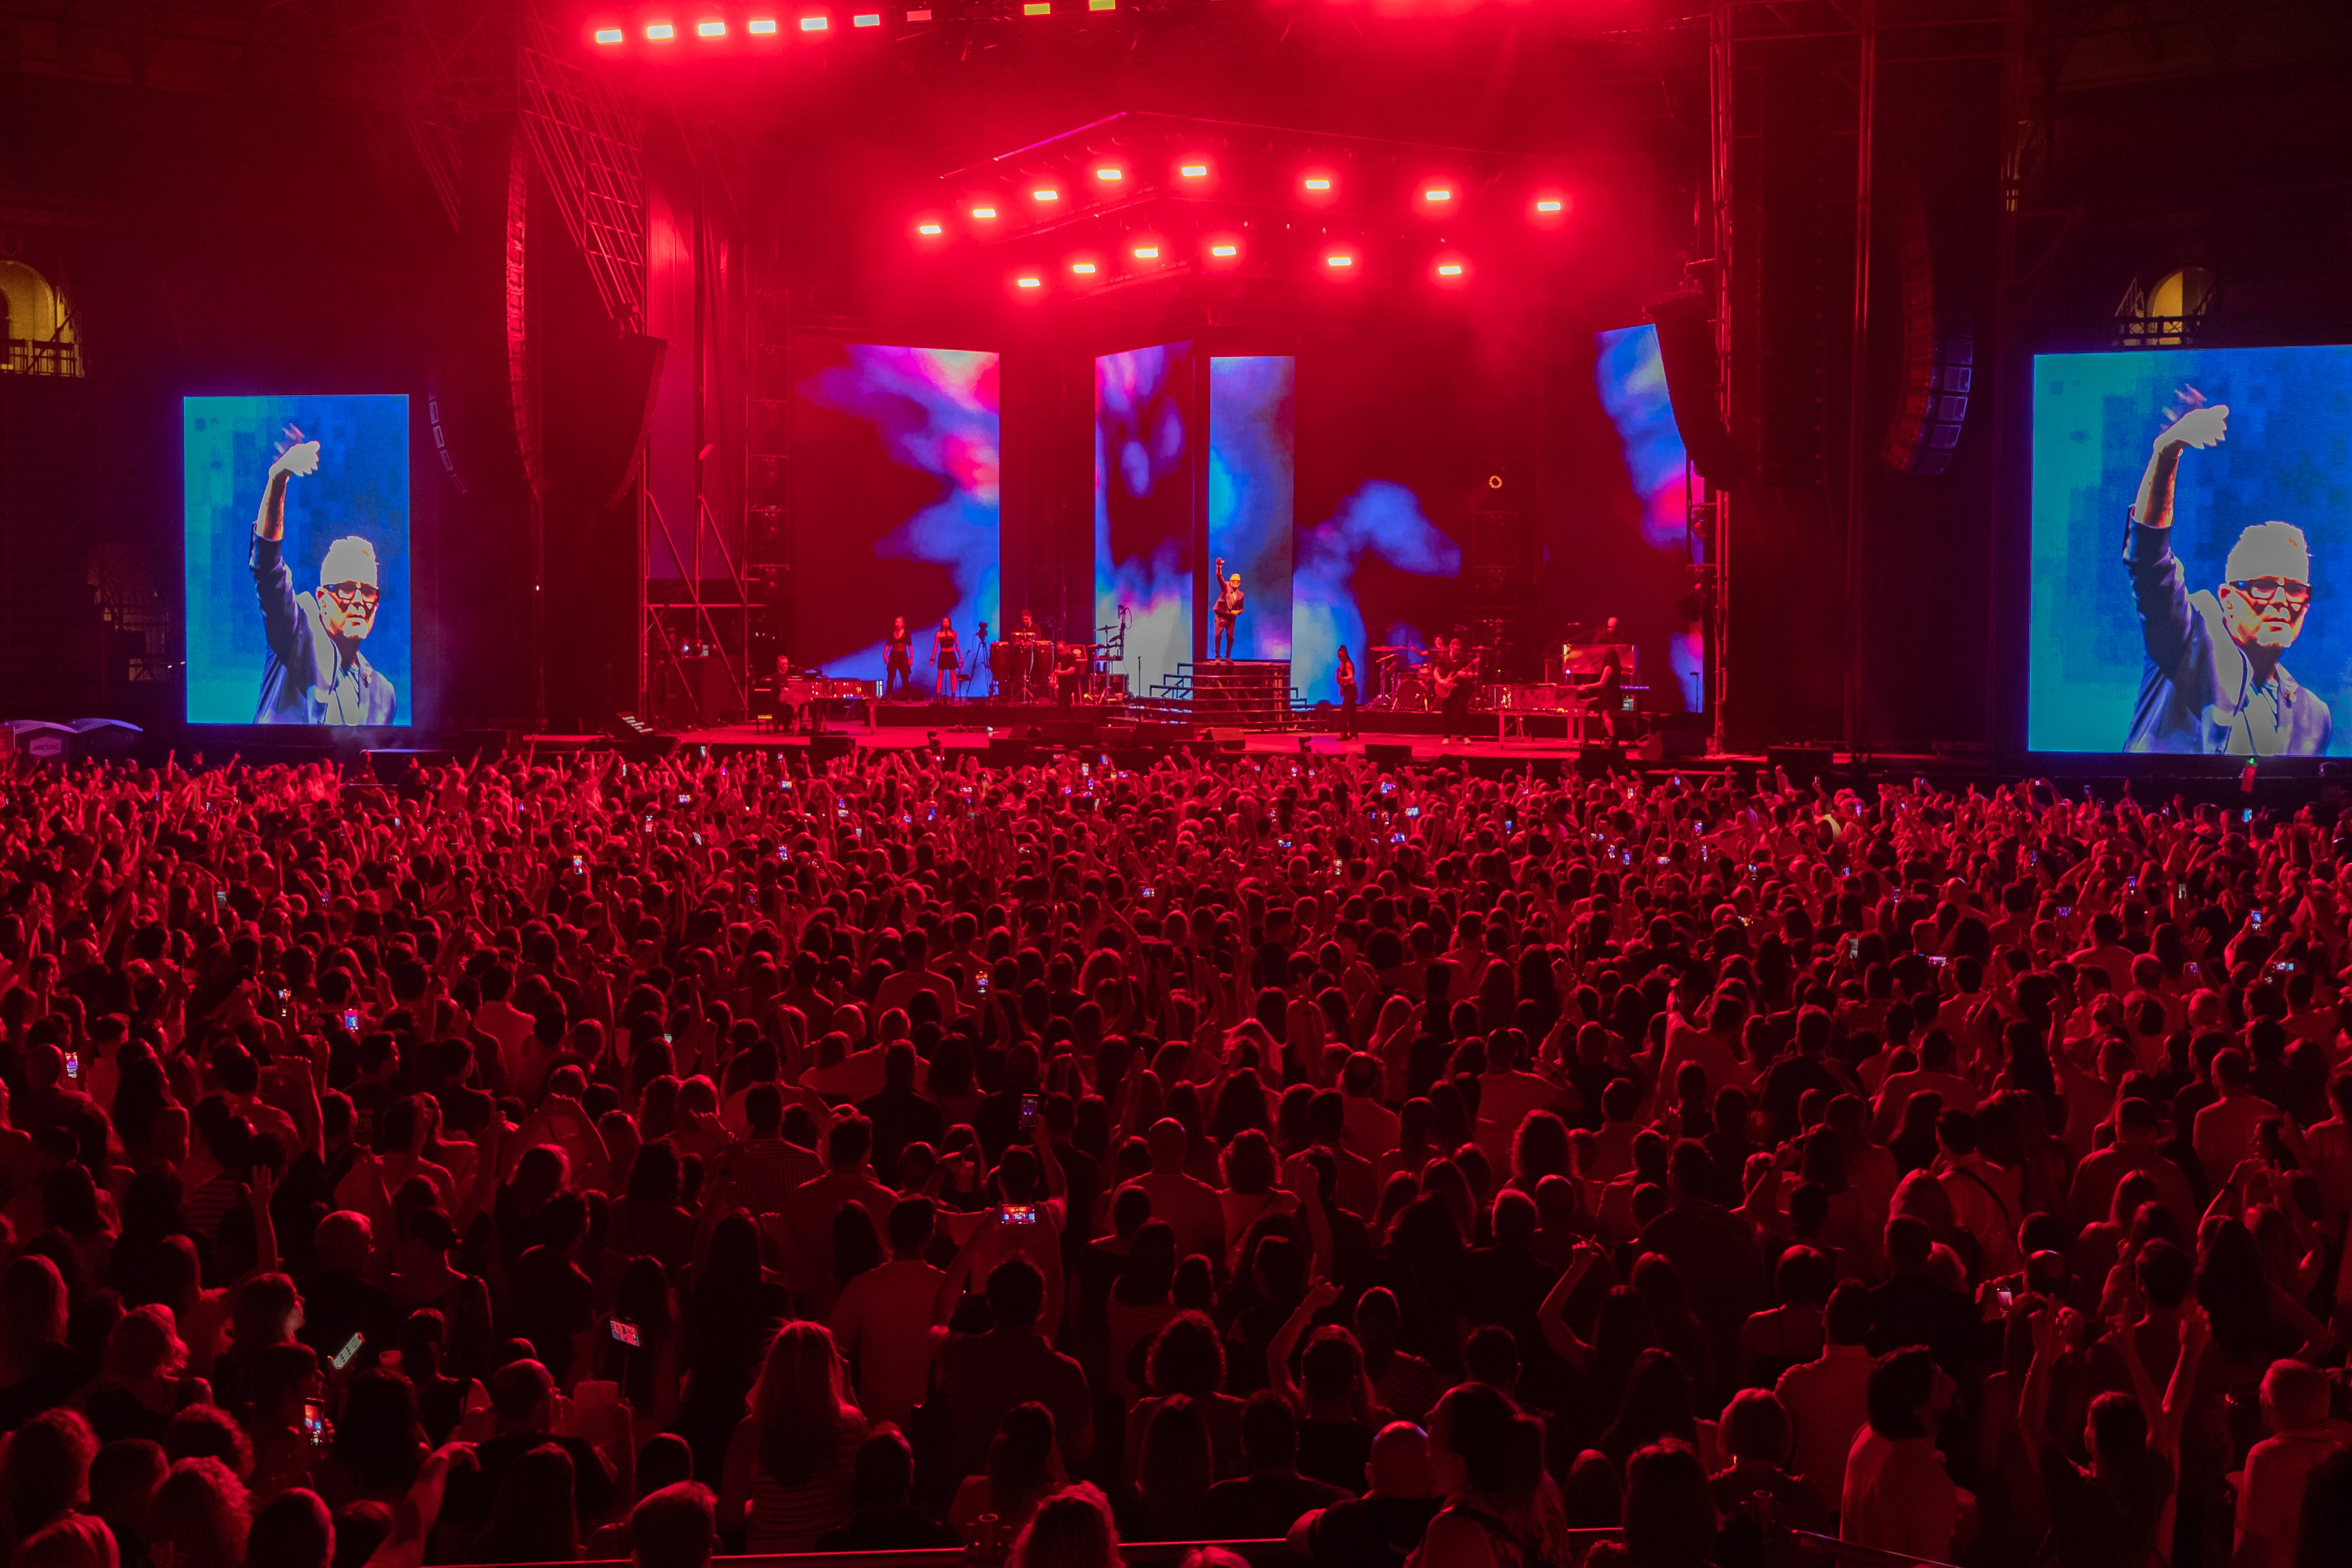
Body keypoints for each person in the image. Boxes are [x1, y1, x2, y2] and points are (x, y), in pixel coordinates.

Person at [2121, 386, 2330, 754]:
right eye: (2264, 585)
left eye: (2296, 589)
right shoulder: (2189, 639)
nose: (2282, 601)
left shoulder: (2314, 717)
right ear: (2228, 599)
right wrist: (2167, 452)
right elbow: (2149, 560)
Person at [246, 423, 397, 724]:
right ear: (322, 598)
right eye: (346, 588)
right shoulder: (298, 631)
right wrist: (278, 479)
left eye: (368, 591)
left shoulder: (384, 694)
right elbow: (267, 568)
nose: (359, 600)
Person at [720, 1322, 866, 1552]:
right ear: (829, 1369)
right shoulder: (850, 1427)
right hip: (830, 1555)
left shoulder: (750, 1432)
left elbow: (729, 1518)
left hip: (769, 1558)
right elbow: (866, 1492)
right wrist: (847, 1390)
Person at [1840, 1347, 1968, 1563]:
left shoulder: (1866, 1438)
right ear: (1918, 1410)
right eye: (1939, 1382)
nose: (1953, 1383)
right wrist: (1961, 1539)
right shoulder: (1929, 1481)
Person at [1288, 1420, 1440, 1568]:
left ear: (1370, 1474)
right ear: (1433, 1469)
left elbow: (1296, 1536)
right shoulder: (1446, 1518)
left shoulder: (1348, 1518)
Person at [1212, 558, 1244, 660]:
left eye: (1237, 581)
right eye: (1233, 580)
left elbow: (1242, 609)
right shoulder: (1226, 586)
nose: (1235, 582)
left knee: (1230, 638)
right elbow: (1219, 577)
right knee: (1218, 636)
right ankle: (1218, 656)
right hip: (1221, 616)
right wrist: (1219, 566)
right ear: (1230, 581)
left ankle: (1227, 656)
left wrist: (1237, 612)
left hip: (1231, 618)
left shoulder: (1241, 595)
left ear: (1239, 583)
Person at [884, 617, 914, 700]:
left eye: (900, 622)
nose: (898, 624)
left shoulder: (906, 633)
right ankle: (889, 695)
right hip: (893, 655)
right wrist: (885, 655)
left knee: (905, 677)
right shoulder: (892, 633)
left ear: (903, 624)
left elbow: (910, 646)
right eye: (897, 622)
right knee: (890, 677)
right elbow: (888, 645)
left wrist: (911, 658)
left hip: (903, 656)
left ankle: (909, 695)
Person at [1335, 646, 1359, 740]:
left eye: (1342, 656)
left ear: (1346, 655)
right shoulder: (1342, 665)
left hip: (1351, 689)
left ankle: (1344, 733)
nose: (1340, 658)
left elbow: (1350, 677)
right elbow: (1342, 680)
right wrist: (1341, 687)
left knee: (1344, 711)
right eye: (1339, 656)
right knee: (1352, 712)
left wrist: (1341, 678)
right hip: (1347, 689)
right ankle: (1354, 732)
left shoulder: (1348, 664)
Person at [934, 617, 961, 698]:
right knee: (940, 675)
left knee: (953, 675)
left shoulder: (954, 633)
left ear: (950, 623)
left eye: (947, 622)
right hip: (943, 654)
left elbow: (957, 645)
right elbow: (935, 646)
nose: (946, 623)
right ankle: (938, 694)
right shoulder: (939, 634)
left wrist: (960, 657)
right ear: (942, 624)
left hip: (951, 654)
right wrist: (933, 657)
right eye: (944, 622)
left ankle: (953, 694)